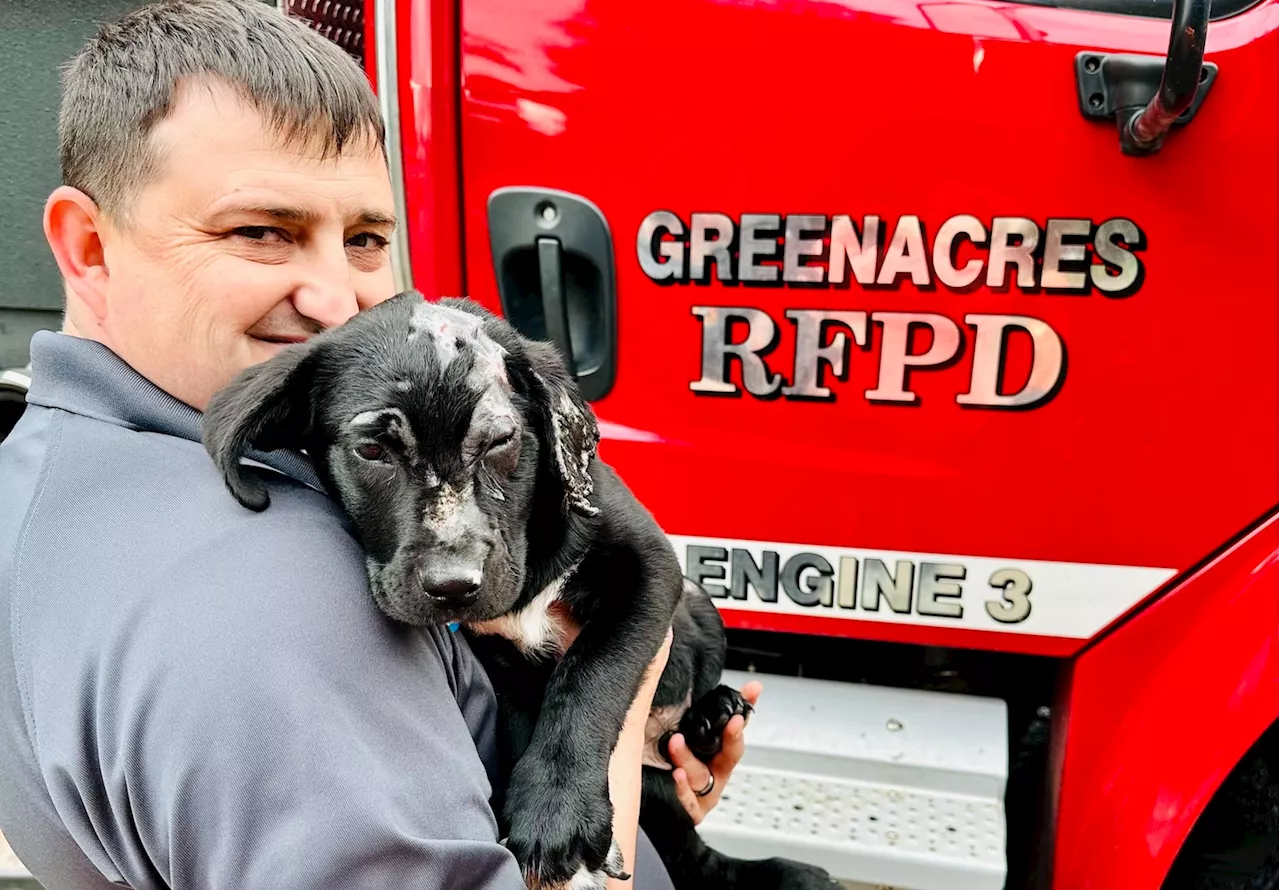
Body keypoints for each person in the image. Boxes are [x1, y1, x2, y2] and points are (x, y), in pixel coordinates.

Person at [0, 1, 757, 887]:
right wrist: (618, 746)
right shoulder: (274, 596)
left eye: (365, 239)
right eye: (260, 232)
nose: (335, 298)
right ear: (89, 246)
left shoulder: (43, 476)